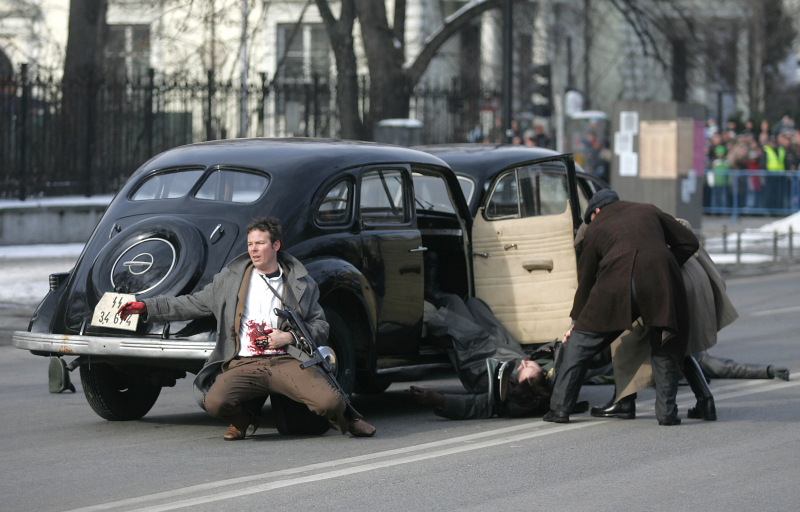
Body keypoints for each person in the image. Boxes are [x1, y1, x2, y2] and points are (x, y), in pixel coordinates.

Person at [118, 216, 375, 440]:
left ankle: (348, 420)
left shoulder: (300, 283)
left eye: (260, 243)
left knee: (329, 402)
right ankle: (244, 419)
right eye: (250, 244)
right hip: (245, 362)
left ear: (276, 246)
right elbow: (192, 303)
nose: (253, 249)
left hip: (287, 360)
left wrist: (288, 337)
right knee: (214, 402)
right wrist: (147, 307)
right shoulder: (231, 280)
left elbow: (320, 326)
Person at [543, 190, 699, 426]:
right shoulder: (648, 209)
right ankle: (667, 413)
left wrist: (576, 322)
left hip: (617, 284)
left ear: (596, 212)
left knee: (579, 347)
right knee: (664, 344)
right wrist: (664, 264)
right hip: (660, 282)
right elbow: (689, 242)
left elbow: (586, 280)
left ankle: (559, 409)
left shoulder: (595, 227)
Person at [591, 218, 738, 422]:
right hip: (691, 282)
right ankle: (705, 402)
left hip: (674, 286)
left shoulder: (624, 230)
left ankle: (630, 402)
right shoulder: (663, 226)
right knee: (680, 347)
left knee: (632, 340)